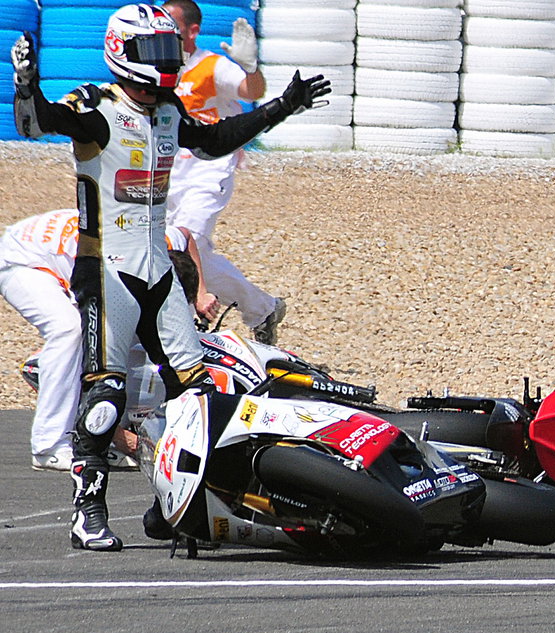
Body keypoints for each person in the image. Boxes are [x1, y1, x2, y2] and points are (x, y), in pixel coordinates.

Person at [11, 2, 329, 550]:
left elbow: (216, 140)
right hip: (105, 266)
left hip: (157, 267)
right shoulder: (95, 106)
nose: (166, 62)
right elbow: (36, 123)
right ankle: (88, 511)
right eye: (154, 51)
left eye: (169, 49)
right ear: (121, 52)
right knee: (106, 391)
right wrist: (26, 83)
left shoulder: (167, 110)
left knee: (199, 392)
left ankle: (180, 504)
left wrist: (282, 106)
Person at [2, 208, 217, 472]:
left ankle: (102, 436)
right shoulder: (108, 277)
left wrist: (201, 295)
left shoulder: (163, 245)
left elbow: (186, 236)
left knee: (130, 335)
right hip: (22, 259)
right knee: (72, 332)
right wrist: (125, 441)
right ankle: (48, 446)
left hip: (73, 246)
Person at [161, 0, 288, 344]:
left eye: (170, 24)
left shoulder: (211, 67)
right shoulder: (159, 70)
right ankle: (262, 308)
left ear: (192, 31)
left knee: (187, 244)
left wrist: (250, 67)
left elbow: (253, 91)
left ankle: (181, 332)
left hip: (207, 171)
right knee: (179, 250)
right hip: (166, 175)